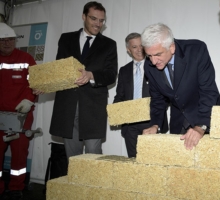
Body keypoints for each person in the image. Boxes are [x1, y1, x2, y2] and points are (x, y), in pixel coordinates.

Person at [49, 1, 118, 162]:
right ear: (83, 16)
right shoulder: (66, 39)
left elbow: (111, 75)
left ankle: (94, 188)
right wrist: (44, 85)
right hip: (67, 107)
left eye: (102, 20)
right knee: (73, 160)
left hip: (93, 109)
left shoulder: (109, 44)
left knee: (93, 158)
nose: (98, 24)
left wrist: (91, 75)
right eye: (94, 19)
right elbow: (59, 69)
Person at [141, 23, 220, 150]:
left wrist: (201, 126)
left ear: (172, 47)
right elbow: (157, 100)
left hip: (209, 118)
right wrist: (155, 125)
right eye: (149, 56)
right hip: (179, 122)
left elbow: (208, 91)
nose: (153, 61)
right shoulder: (149, 66)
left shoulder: (196, 50)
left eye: (158, 54)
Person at [113, 33, 168, 157]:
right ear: (128, 49)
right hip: (129, 125)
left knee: (152, 163)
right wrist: (115, 113)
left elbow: (165, 94)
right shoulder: (124, 70)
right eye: (134, 47)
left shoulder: (156, 65)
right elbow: (119, 96)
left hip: (151, 123)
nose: (139, 50)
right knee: (133, 164)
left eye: (141, 46)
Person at [0, 23, 37, 200]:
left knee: (20, 153)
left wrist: (30, 100)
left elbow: (37, 84)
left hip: (21, 116)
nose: (7, 43)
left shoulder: (27, 58)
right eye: (2, 40)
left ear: (15, 40)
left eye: (10, 39)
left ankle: (16, 187)